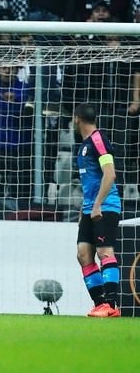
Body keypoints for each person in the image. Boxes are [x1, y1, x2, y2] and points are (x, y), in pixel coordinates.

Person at [73, 103, 122, 318]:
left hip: (105, 206)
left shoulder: (98, 140)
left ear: (77, 119)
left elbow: (109, 174)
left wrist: (97, 204)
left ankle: (111, 305)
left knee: (104, 252)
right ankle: (100, 304)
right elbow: (90, 182)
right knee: (83, 255)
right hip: (89, 208)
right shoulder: (83, 146)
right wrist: (84, 210)